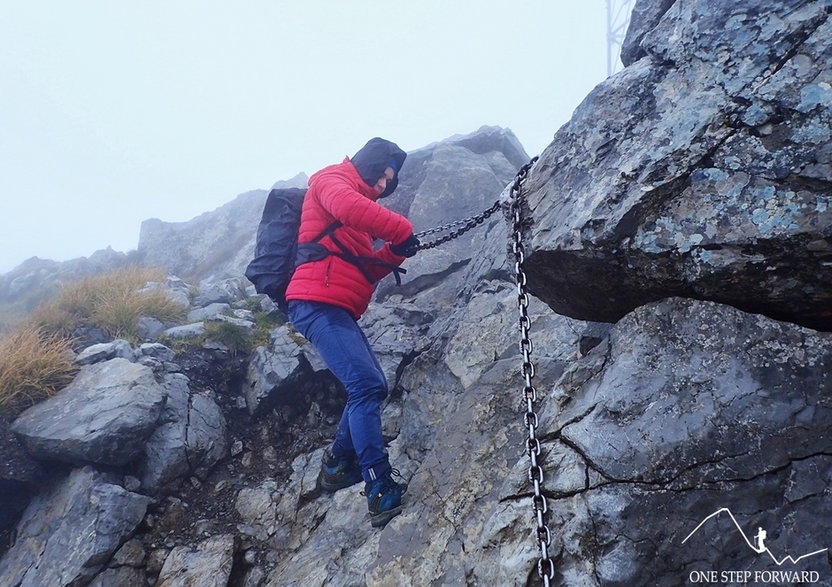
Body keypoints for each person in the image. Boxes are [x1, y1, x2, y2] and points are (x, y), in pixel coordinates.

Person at [284, 137, 420, 528]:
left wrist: (395, 253)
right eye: (381, 174)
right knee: (364, 385)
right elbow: (348, 206)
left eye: (389, 180)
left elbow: (362, 270)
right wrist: (402, 229)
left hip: (335, 308)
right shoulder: (330, 180)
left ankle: (338, 465)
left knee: (372, 385)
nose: (382, 184)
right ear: (368, 163)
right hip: (314, 303)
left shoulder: (360, 217)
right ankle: (378, 485)